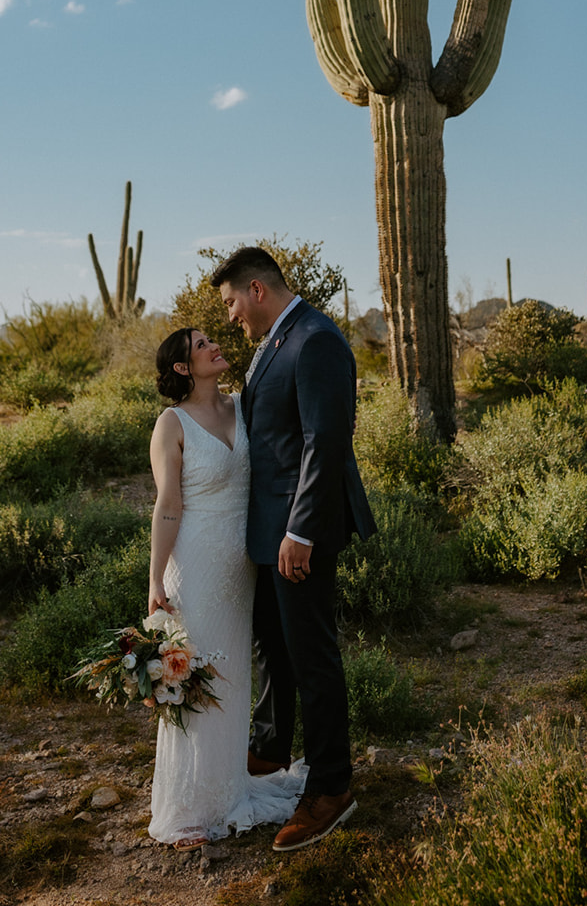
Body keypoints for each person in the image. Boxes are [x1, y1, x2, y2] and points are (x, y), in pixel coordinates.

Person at [211, 245, 377, 853]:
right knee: (272, 644)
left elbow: (324, 440)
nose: (230, 317)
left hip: (297, 532)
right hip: (267, 529)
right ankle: (272, 745)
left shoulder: (315, 340)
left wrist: (300, 532)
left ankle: (332, 786)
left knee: (311, 655)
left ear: (257, 290)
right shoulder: (275, 342)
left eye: (231, 302)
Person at [146, 326, 304, 848]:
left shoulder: (243, 405)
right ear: (184, 368)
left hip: (242, 565)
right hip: (195, 563)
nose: (215, 345)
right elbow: (169, 504)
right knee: (197, 675)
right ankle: (189, 807)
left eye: (213, 338)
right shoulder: (171, 423)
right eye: (201, 345)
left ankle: (227, 787)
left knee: (232, 671)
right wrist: (155, 577)